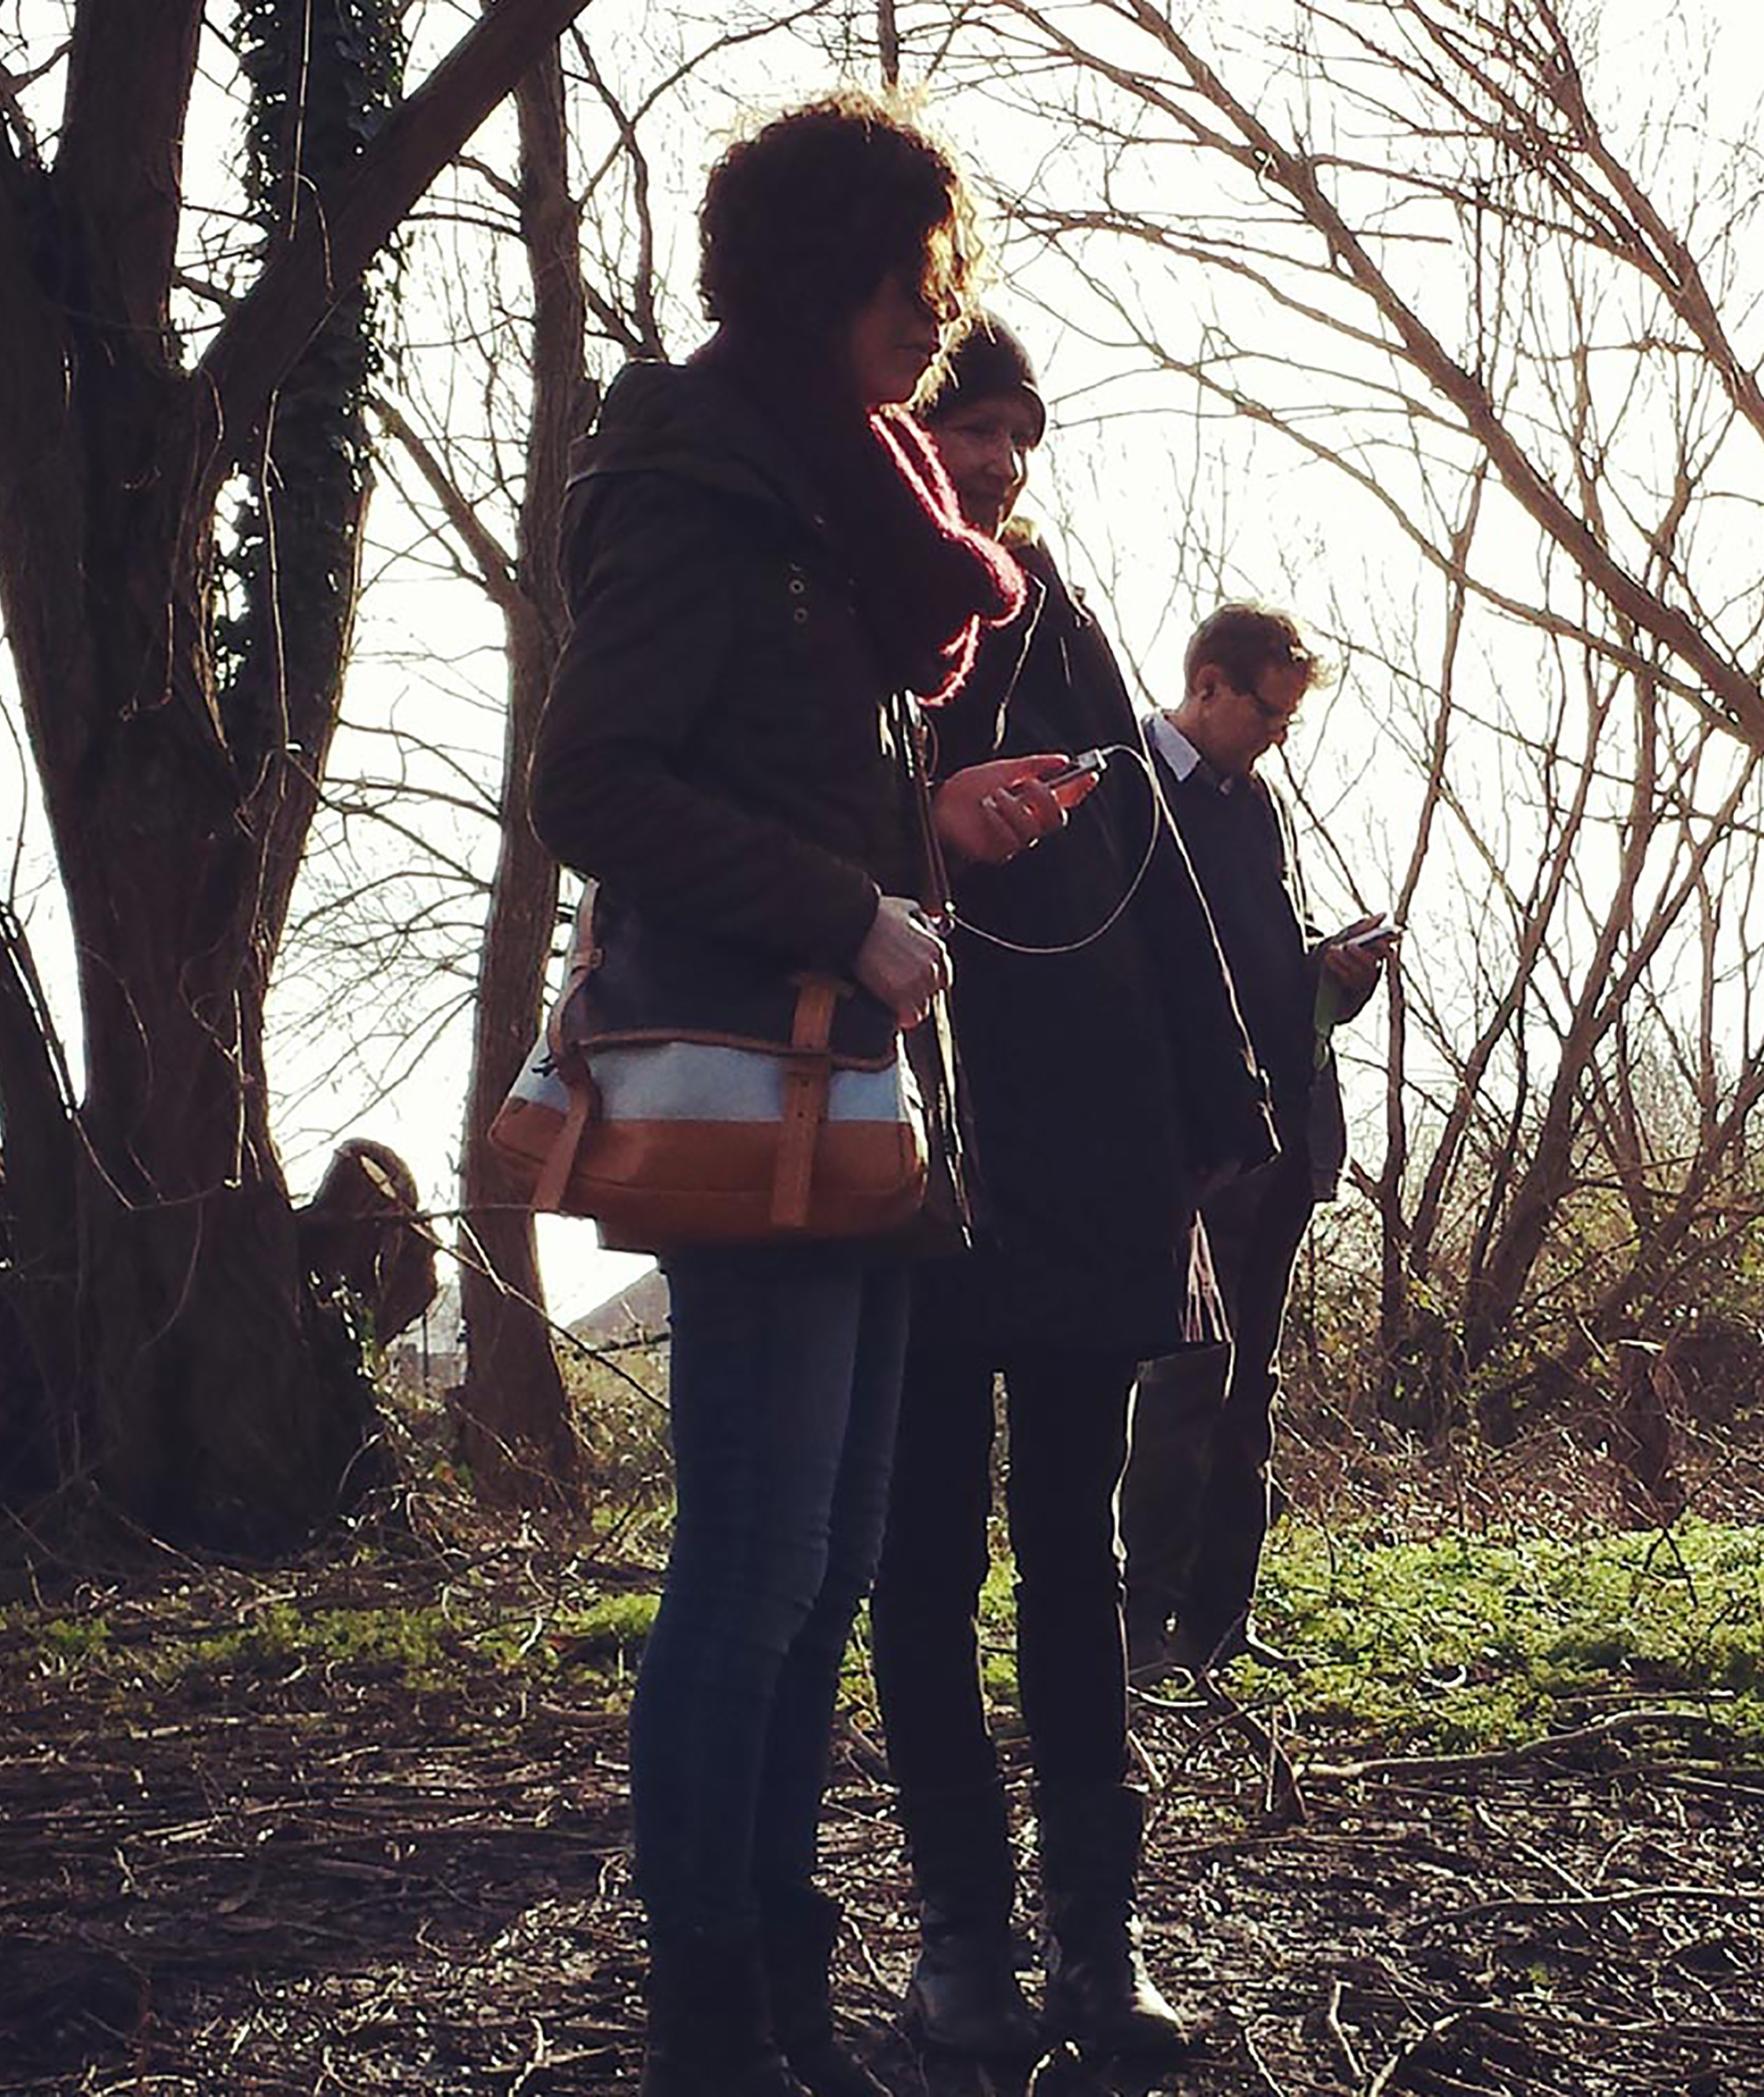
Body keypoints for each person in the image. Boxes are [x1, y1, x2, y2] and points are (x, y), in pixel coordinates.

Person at [527, 94, 1086, 2097]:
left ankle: (771, 1981)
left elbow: (782, 779)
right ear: (831, 273)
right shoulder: (691, 476)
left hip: (843, 1079)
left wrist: (919, 843)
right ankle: (709, 2023)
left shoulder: (843, 499)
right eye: (916, 284)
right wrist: (850, 906)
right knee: (752, 1558)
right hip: (743, 1072)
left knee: (828, 1555)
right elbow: (595, 782)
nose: (936, 328)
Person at [869, 319, 1277, 2062]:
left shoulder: (1059, 618)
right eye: (968, 426)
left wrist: (1218, 1089)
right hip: (908, 1154)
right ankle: (957, 1930)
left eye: (1020, 434)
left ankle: (1098, 1941)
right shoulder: (836, 602)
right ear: (901, 422)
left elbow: (1158, 856)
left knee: (1075, 1550)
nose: (998, 466)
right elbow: (739, 811)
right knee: (916, 1557)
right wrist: (919, 814)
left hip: (1091, 1149)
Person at [1119, 604, 1392, 1676]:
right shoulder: (1129, 792)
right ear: (1209, 687)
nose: (1280, 733)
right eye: (1269, 712)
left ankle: (1219, 1624)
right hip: (1184, 1144)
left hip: (1281, 1138)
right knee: (1181, 1382)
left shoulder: (1258, 809)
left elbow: (1267, 976)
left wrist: (1335, 972)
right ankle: (1140, 1628)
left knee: (1248, 1393)